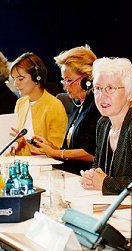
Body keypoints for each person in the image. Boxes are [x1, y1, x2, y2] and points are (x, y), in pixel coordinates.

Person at [80, 57, 132, 195]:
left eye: (110, 88)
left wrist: (107, 184)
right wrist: (92, 175)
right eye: (98, 88)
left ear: (130, 94)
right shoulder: (103, 123)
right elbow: (100, 166)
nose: (102, 96)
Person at [30, 45, 101, 175]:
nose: (64, 85)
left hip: (87, 177)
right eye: (63, 80)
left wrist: (56, 153)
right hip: (71, 173)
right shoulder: (78, 103)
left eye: (68, 80)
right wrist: (50, 147)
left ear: (87, 80)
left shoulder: (97, 106)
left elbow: (92, 153)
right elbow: (72, 149)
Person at [9, 52, 68, 155]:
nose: (15, 84)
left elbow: (56, 150)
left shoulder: (55, 105)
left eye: (20, 79)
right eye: (14, 79)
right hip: (20, 163)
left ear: (37, 78)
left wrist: (24, 144)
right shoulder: (20, 103)